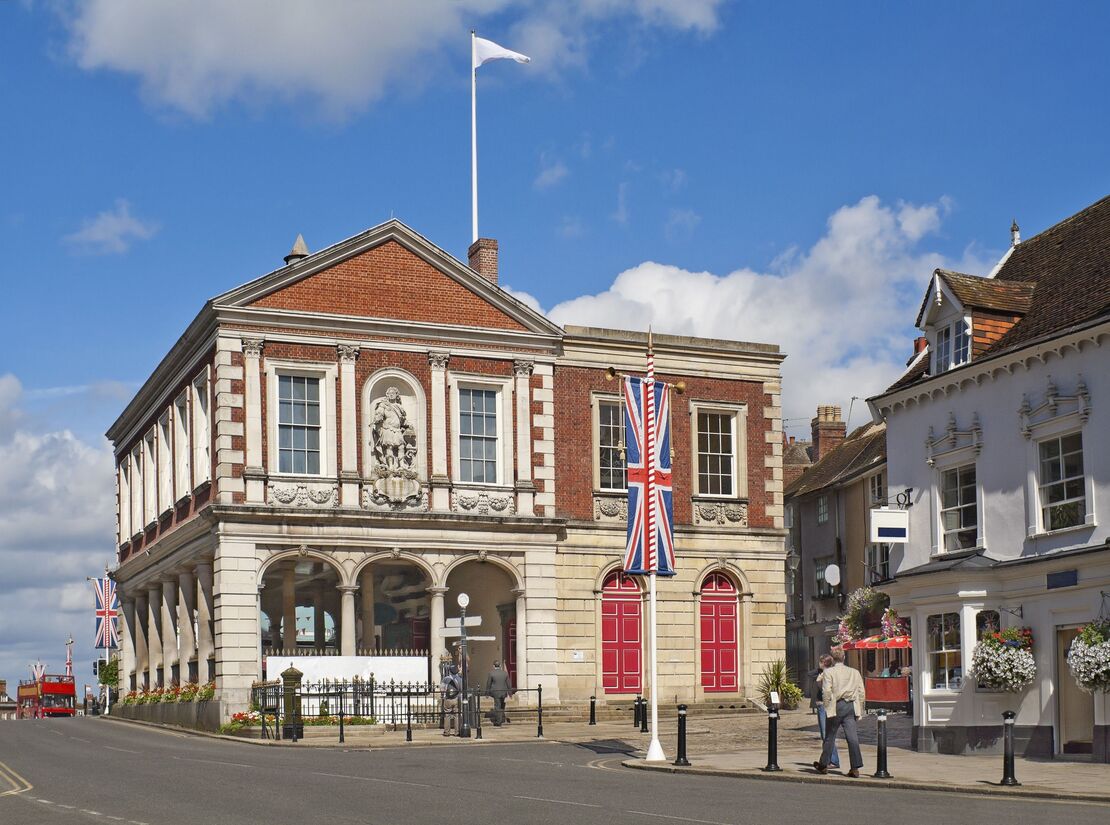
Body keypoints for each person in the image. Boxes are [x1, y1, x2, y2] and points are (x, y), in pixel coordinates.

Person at [813, 647, 865, 777]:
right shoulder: (854, 672)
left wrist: (827, 705)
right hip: (851, 705)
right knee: (852, 737)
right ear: (844, 657)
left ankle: (823, 764)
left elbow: (826, 692)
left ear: (832, 659)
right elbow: (861, 692)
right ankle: (855, 767)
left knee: (830, 736)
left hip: (836, 705)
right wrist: (860, 707)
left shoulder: (829, 672)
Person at [813, 655, 841, 769]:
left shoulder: (827, 674)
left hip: (825, 706)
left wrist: (819, 681)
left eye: (820, 662)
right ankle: (828, 760)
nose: (819, 664)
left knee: (826, 735)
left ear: (823, 663)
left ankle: (833, 760)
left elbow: (825, 690)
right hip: (825, 706)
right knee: (826, 735)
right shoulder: (826, 673)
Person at [484, 660, 514, 726]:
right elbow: (508, 684)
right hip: (503, 692)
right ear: (500, 666)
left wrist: (487, 693)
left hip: (496, 692)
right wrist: (510, 693)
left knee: (497, 706)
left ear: (493, 666)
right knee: (501, 705)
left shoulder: (491, 673)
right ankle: (501, 718)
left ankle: (498, 721)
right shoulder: (505, 673)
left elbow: (488, 684)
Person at [440, 664, 462, 736]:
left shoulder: (446, 679)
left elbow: (442, 689)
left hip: (448, 698)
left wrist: (442, 696)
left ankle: (447, 732)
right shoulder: (460, 679)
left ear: (450, 671)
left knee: (447, 715)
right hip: (457, 698)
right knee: (457, 715)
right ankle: (457, 732)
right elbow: (461, 689)